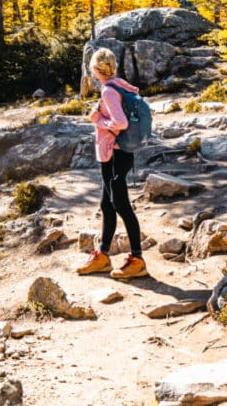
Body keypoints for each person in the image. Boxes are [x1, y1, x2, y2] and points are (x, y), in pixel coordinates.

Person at [76, 47, 147, 279]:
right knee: (107, 205)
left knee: (121, 204)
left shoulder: (108, 90)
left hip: (115, 153)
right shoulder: (119, 84)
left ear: (95, 69)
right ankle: (103, 256)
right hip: (114, 153)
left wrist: (98, 119)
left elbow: (121, 122)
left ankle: (138, 259)